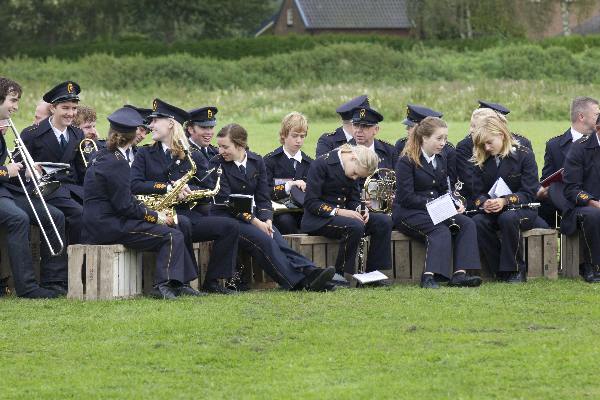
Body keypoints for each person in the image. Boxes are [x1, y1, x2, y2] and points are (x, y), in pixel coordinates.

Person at [82, 107, 198, 299]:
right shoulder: (117, 162)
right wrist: (157, 217)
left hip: (102, 222)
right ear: (133, 134)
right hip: (108, 225)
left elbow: (123, 202)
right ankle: (163, 286)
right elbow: (125, 206)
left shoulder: (104, 155)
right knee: (171, 236)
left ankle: (179, 283)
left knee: (176, 228)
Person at [210, 123, 335, 292]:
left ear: (240, 145)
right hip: (227, 218)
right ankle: (299, 282)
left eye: (225, 147)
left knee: (278, 241)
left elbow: (263, 198)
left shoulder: (256, 161)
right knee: (264, 240)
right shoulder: (217, 164)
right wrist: (257, 223)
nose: (220, 151)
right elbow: (227, 202)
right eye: (219, 146)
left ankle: (311, 272)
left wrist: (267, 219)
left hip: (254, 216)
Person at [130, 98, 217, 295]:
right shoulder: (144, 153)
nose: (150, 125)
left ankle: (180, 283)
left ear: (170, 123)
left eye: (154, 121)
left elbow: (207, 187)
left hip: (182, 209)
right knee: (182, 223)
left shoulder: (192, 155)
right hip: (152, 210)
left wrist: (187, 189)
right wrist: (167, 188)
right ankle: (178, 283)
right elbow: (134, 184)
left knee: (184, 221)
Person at [392, 116, 482, 289]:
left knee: (467, 224)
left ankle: (460, 275)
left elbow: (442, 189)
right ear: (424, 138)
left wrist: (454, 203)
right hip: (408, 213)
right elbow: (406, 197)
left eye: (445, 139)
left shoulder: (441, 159)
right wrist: (436, 203)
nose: (443, 143)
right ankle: (429, 277)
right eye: (439, 138)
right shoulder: (406, 161)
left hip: (434, 209)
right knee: (440, 230)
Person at [0, 77, 68, 298]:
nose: (16, 107)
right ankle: (27, 287)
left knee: (54, 215)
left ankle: (54, 281)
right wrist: (5, 171)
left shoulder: (3, 127)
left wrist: (23, 170)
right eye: (13, 100)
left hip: (4, 191)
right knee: (17, 218)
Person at [301, 139, 393, 286]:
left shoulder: (352, 167)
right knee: (355, 226)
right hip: (318, 219)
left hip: (346, 218)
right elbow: (311, 203)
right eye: (356, 173)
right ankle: (339, 274)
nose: (355, 178)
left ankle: (372, 274)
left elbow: (354, 199)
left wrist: (361, 210)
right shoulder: (321, 164)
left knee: (384, 221)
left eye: (359, 177)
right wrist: (339, 212)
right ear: (352, 158)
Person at [470, 114, 541, 283]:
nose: (486, 148)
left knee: (508, 218)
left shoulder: (525, 155)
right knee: (478, 222)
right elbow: (477, 193)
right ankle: (499, 270)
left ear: (501, 135)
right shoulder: (481, 158)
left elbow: (529, 192)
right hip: (493, 210)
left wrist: (505, 201)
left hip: (523, 210)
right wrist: (484, 203)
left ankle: (516, 270)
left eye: (489, 142)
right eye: (482, 144)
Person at [20, 81, 84, 245]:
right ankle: (74, 261)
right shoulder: (31, 134)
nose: (71, 113)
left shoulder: (78, 134)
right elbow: (19, 170)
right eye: (65, 108)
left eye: (74, 108)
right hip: (46, 190)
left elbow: (82, 170)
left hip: (73, 190)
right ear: (53, 108)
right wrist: (28, 172)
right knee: (79, 214)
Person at [456, 101, 533, 207]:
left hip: (516, 204)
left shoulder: (522, 144)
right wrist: (486, 202)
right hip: (483, 203)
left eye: (475, 126)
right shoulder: (465, 146)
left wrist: (506, 200)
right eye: (471, 125)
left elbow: (529, 185)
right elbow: (472, 183)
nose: (471, 130)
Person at [538, 97, 599, 228]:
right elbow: (547, 181)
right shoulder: (554, 145)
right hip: (567, 203)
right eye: (596, 115)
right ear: (581, 117)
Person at [561, 114, 600, 283]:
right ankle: (592, 266)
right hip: (582, 204)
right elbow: (571, 189)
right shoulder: (579, 148)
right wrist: (594, 202)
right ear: (598, 129)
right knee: (593, 215)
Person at [264, 112, 312, 234]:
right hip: (280, 212)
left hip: (304, 211)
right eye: (294, 136)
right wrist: (288, 186)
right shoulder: (270, 161)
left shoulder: (310, 163)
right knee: (286, 222)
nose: (299, 140)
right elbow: (264, 192)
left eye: (302, 136)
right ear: (284, 135)